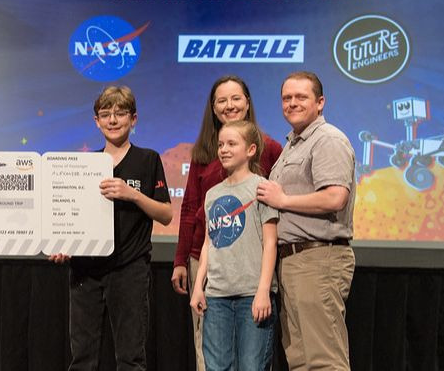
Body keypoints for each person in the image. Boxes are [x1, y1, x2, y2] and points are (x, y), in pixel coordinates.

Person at [49, 85, 172, 371]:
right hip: (85, 270)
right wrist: (63, 245)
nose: (113, 120)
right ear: (96, 121)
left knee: (130, 358)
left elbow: (166, 214)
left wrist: (133, 194)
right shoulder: (84, 164)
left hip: (129, 269)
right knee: (82, 358)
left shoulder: (148, 159)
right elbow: (70, 215)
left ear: (134, 119)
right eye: (105, 114)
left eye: (120, 113)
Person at [171, 75, 282, 370]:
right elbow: (191, 208)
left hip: (251, 272)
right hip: (212, 274)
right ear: (213, 107)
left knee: (252, 360)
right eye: (222, 100)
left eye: (236, 98)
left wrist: (263, 288)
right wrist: (183, 262)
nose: (229, 105)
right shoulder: (205, 153)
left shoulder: (270, 149)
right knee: (209, 357)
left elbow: (274, 223)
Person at [256, 71, 356, 370]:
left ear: (320, 102)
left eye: (301, 97)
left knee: (324, 360)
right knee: (300, 360)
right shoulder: (293, 144)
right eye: (287, 98)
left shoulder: (328, 140)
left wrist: (283, 200)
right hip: (293, 263)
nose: (292, 103)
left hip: (318, 258)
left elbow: (335, 197)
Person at [189, 120, 279, 371]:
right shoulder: (213, 194)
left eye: (231, 144)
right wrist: (199, 287)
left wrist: (263, 290)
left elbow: (270, 242)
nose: (224, 150)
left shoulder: (261, 188)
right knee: (217, 366)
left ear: (250, 150)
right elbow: (209, 243)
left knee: (252, 365)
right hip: (217, 295)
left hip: (252, 293)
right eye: (220, 145)